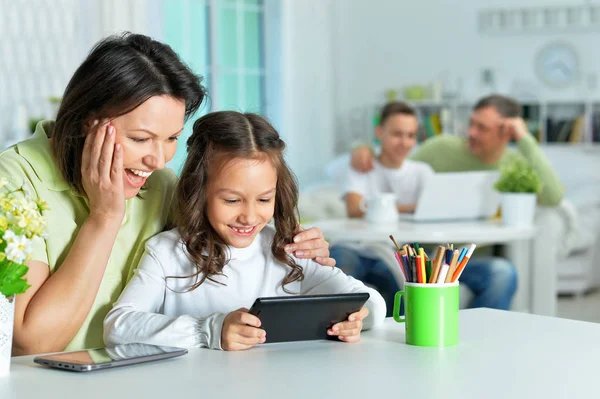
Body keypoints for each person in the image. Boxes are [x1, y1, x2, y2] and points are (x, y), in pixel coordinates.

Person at [1, 33, 334, 356]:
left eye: (171, 138)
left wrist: (298, 250)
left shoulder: (160, 184)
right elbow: (31, 343)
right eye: (141, 139)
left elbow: (237, 251)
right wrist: (105, 216)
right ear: (90, 122)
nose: (159, 160)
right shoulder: (14, 182)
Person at [103, 111, 386, 350]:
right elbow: (118, 326)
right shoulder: (167, 252)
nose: (249, 216)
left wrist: (357, 319)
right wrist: (208, 330)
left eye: (264, 199)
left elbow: (372, 302)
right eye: (231, 200)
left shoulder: (288, 250)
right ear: (199, 191)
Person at [348, 94, 565, 310]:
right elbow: (395, 164)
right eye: (471, 123)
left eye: (482, 128)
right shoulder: (441, 149)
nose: (471, 132)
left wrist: (524, 138)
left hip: (466, 259)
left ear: (506, 132)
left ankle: (482, 340)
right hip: (424, 255)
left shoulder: (515, 165)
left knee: (502, 274)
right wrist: (364, 149)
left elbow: (553, 196)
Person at [331, 102, 433, 314]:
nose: (404, 142)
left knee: (405, 280)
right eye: (397, 134)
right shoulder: (362, 165)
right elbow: (353, 208)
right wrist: (412, 207)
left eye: (411, 135)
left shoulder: (422, 172)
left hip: (395, 252)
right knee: (338, 269)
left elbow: (433, 210)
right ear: (379, 133)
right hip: (355, 247)